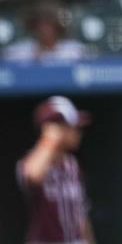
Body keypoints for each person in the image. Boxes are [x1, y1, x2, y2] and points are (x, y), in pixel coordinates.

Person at [17, 96, 95, 244]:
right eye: (72, 127)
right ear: (53, 129)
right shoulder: (29, 162)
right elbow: (33, 175)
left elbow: (82, 217)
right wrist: (50, 140)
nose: (78, 133)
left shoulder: (72, 165)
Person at [3, 0, 89, 62]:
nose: (44, 29)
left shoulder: (74, 50)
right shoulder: (19, 51)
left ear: (57, 28)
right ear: (34, 28)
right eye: (41, 24)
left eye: (49, 24)